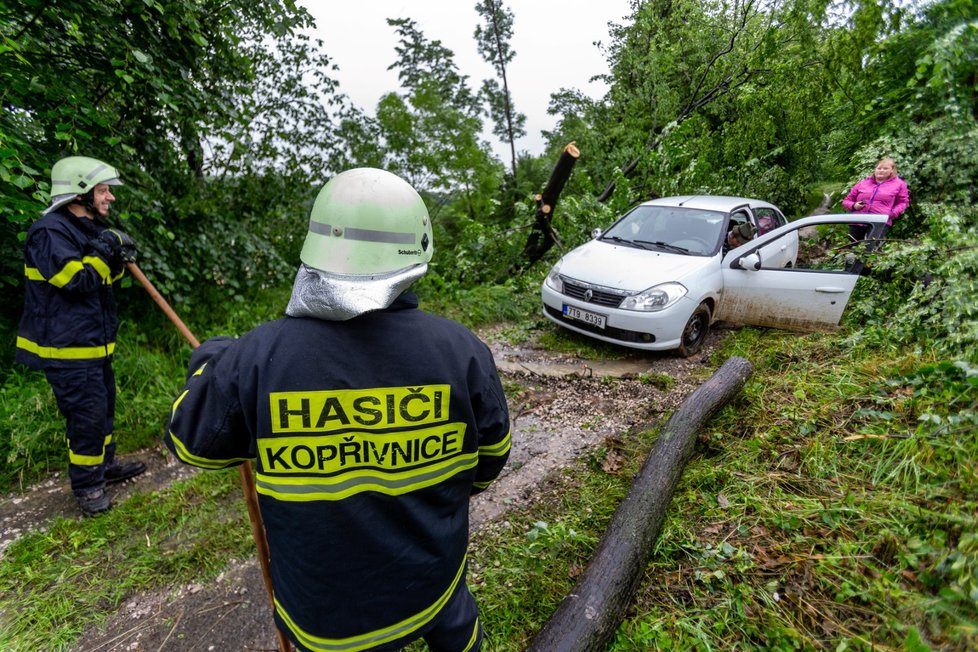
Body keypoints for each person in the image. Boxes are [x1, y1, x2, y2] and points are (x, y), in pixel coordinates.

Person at [164, 168, 512, 652]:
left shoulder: (256, 356)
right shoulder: (461, 350)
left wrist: (210, 362)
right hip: (434, 577)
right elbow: (491, 458)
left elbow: (192, 441)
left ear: (317, 250)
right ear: (417, 251)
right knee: (455, 629)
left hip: (324, 615)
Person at [15, 156, 146, 517]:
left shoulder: (86, 229)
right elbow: (75, 281)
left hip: (93, 346)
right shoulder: (49, 232)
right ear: (82, 193)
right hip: (67, 348)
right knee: (86, 416)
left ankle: (103, 466)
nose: (110, 198)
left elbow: (103, 279)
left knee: (102, 410)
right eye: (104, 191)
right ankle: (88, 486)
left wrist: (116, 258)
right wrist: (106, 249)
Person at [841, 157, 909, 242]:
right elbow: (846, 201)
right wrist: (854, 205)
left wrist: (892, 213)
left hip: (880, 221)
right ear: (875, 170)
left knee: (871, 248)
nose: (881, 170)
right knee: (853, 247)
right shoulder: (863, 183)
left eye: (885, 168)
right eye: (879, 168)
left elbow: (903, 202)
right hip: (858, 220)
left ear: (892, 170)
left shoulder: (899, 184)